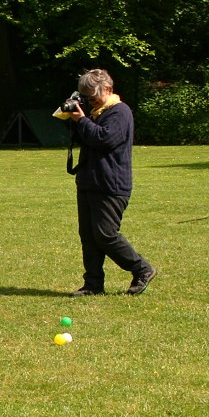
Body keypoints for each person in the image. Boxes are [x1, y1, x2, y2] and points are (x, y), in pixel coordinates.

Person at [62, 68, 156, 296]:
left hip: (111, 184)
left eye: (94, 96)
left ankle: (142, 268)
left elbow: (105, 139)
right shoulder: (95, 112)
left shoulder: (120, 112)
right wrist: (72, 118)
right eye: (87, 98)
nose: (91, 101)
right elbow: (87, 136)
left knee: (105, 234)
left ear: (108, 89)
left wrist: (82, 120)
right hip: (89, 181)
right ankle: (93, 285)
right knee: (88, 236)